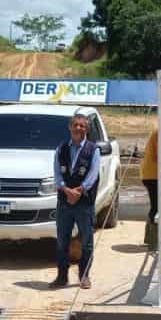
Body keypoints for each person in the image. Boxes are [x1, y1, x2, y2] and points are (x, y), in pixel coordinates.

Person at [50, 113, 101, 290]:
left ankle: (84, 275)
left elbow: (93, 175)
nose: (78, 128)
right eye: (75, 125)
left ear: (87, 129)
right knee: (62, 241)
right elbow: (57, 174)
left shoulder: (93, 150)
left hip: (84, 203)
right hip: (64, 202)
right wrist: (66, 190)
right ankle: (61, 276)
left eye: (82, 126)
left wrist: (79, 191)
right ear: (70, 127)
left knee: (87, 241)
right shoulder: (61, 148)